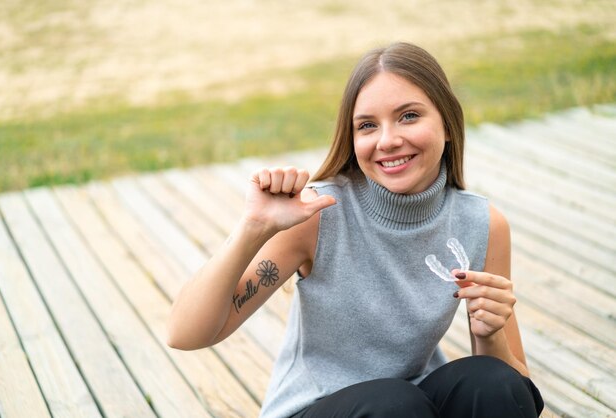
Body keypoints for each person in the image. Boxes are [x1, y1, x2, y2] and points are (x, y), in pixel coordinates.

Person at [167, 42, 544, 418]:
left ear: (447, 124)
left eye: (409, 116)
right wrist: (254, 227)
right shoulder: (318, 215)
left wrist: (489, 335)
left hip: (412, 405)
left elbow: (517, 392)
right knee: (393, 406)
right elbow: (185, 334)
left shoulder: (482, 224)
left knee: (492, 382)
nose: (387, 140)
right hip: (320, 410)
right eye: (367, 125)